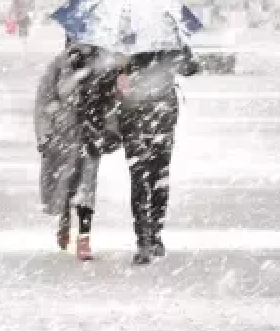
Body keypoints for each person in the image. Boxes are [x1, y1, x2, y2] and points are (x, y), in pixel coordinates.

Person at [36, 40, 123, 261]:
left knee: (87, 186)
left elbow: (112, 102)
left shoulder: (105, 65)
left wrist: (111, 130)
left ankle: (84, 237)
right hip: (62, 135)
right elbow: (44, 99)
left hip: (91, 134)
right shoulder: (59, 64)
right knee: (64, 183)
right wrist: (46, 133)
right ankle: (64, 220)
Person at [117, 46, 200, 265]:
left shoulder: (124, 42)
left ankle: (146, 237)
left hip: (138, 118)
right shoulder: (167, 38)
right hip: (155, 117)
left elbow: (113, 80)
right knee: (156, 178)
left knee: (143, 178)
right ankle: (152, 235)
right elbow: (191, 68)